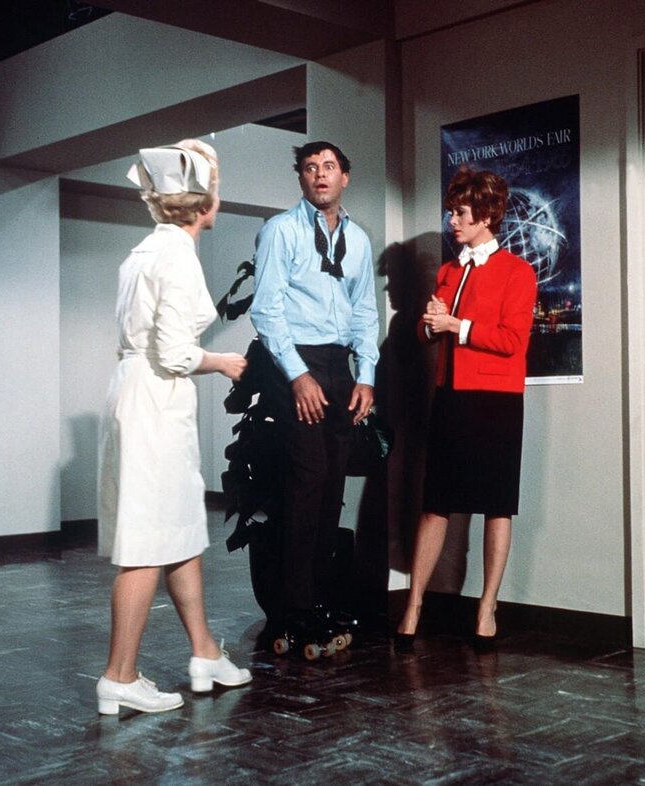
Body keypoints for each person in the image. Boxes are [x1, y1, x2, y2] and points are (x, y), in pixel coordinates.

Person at [96, 140, 252, 716]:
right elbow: (177, 353)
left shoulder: (145, 251)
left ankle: (205, 651)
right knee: (146, 539)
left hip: (138, 392)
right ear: (203, 201)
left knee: (179, 527)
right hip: (156, 399)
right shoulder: (178, 258)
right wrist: (224, 361)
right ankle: (119, 676)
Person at [395, 167, 537, 650]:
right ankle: (414, 605)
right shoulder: (449, 271)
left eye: (460, 212)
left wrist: (457, 325)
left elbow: (512, 341)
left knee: (497, 508)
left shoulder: (519, 272)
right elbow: (424, 333)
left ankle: (486, 607)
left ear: (486, 215)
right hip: (450, 398)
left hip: (497, 403)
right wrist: (430, 323)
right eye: (452, 212)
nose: (452, 221)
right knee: (435, 505)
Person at [250, 141, 379, 638]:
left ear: (344, 177)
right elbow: (266, 309)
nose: (320, 175)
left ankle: (319, 598)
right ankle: (294, 609)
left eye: (328, 167)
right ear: (301, 178)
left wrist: (366, 375)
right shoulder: (281, 231)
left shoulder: (358, 240)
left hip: (339, 366)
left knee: (332, 485)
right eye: (310, 168)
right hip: (296, 363)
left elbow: (364, 311)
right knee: (306, 482)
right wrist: (297, 375)